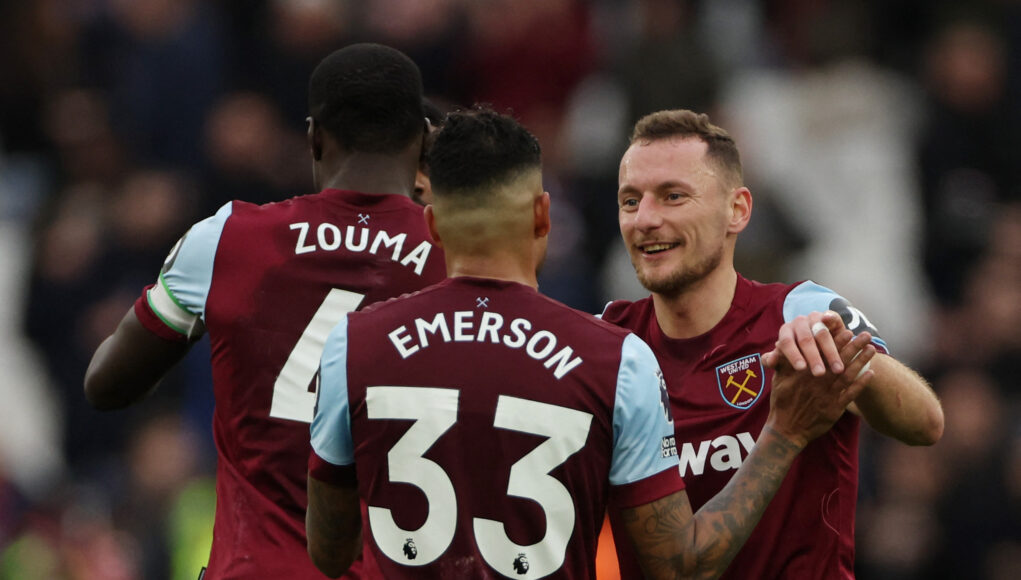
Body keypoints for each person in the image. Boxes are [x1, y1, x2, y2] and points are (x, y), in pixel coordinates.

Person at [305, 107, 877, 579]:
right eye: (632, 200)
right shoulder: (613, 356)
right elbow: (678, 566)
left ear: (431, 226)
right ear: (543, 215)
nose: (646, 218)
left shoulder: (354, 345)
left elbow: (330, 552)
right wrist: (786, 435)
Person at [83, 43, 447, 579]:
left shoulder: (227, 239)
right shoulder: (462, 257)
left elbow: (106, 384)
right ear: (423, 143)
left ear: (313, 137)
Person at [603, 109, 945, 578]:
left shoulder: (803, 310)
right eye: (629, 201)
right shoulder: (607, 345)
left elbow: (925, 423)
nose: (645, 219)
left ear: (737, 210)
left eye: (673, 196)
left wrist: (843, 354)